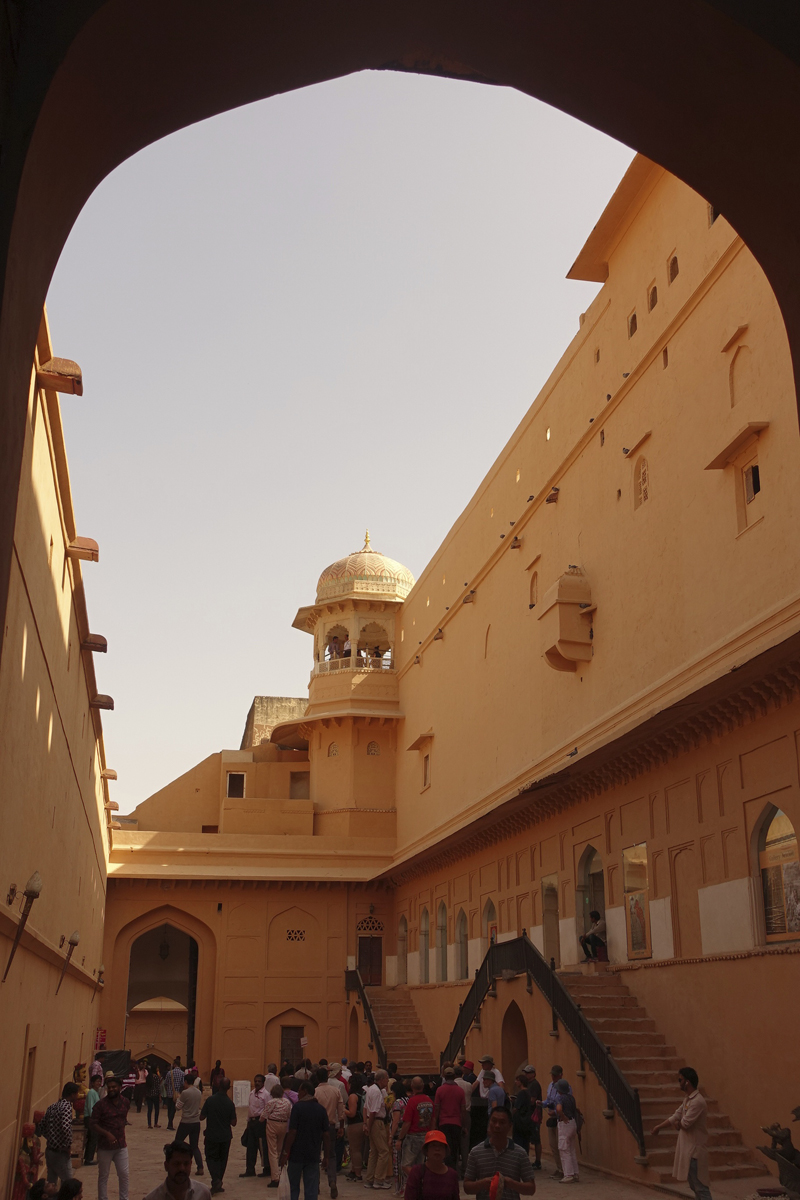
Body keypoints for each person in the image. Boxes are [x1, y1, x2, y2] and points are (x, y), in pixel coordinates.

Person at [652, 1068, 712, 1200]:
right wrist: (659, 1127)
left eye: (680, 1080)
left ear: (687, 1082)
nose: (679, 1083)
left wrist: (678, 1124)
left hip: (695, 1152)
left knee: (701, 1188)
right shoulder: (688, 1100)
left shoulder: (697, 1101)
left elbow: (685, 1123)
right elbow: (676, 1116)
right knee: (695, 1187)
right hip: (688, 1152)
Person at [463, 1105, 536, 1200]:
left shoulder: (520, 1153)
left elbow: (531, 1189)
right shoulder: (476, 1152)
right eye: (494, 1121)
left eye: (502, 1122)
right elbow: (467, 1187)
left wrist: (512, 1184)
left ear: (510, 1126)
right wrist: (482, 1183)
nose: (497, 1126)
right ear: (489, 1123)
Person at [279, 1080, 331, 1200]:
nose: (298, 1094)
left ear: (305, 1091)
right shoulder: (321, 1110)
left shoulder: (297, 1108)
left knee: (293, 1186)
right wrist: (327, 1156)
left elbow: (292, 1132)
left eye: (300, 1091)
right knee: (311, 1188)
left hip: (296, 1154)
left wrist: (285, 1153)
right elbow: (326, 1135)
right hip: (313, 1154)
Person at [91, 1073, 130, 1200]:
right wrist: (107, 1133)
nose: (112, 1089)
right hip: (105, 1147)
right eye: (110, 1087)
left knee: (124, 1174)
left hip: (121, 1145)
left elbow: (124, 1118)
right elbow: (93, 1124)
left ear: (120, 1087)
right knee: (103, 1176)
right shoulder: (100, 1105)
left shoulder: (125, 1102)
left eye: (114, 1087)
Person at [200, 1076, 237, 1195]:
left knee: (211, 1158)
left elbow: (202, 1117)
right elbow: (234, 1122)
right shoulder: (230, 1103)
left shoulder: (210, 1100)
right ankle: (219, 1180)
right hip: (226, 1136)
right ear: (228, 1088)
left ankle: (215, 1180)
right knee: (223, 1159)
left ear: (219, 1086)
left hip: (212, 1135)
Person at [313, 1068, 346, 1198]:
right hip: (330, 1126)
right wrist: (341, 1127)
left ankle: (315, 1184)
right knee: (331, 1155)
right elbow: (341, 1112)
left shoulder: (315, 1092)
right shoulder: (336, 1091)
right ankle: (332, 1181)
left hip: (316, 1127)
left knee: (316, 1155)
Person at [536, 1066, 572, 1180]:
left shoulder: (566, 1088)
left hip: (560, 1118)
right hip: (553, 1118)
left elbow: (565, 1103)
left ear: (561, 1074)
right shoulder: (551, 1086)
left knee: (561, 1145)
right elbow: (549, 1100)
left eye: (555, 1075)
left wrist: (556, 1112)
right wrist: (543, 1103)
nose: (553, 1077)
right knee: (553, 1145)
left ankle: (565, 1170)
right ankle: (559, 1167)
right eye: (552, 1075)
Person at [144, 1140, 212, 1200]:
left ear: (191, 1164)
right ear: (166, 1166)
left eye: (186, 1163)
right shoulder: (152, 1198)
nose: (182, 1168)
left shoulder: (203, 1193)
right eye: (176, 1164)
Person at [42, 1082, 79, 1186]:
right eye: (76, 1094)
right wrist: (67, 1146)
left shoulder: (52, 1106)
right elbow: (66, 1127)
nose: (77, 1096)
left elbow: (42, 1126)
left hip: (50, 1150)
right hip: (61, 1152)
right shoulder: (67, 1107)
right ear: (72, 1094)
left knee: (51, 1184)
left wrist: (51, 1138)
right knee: (68, 1184)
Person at [404, 1131, 460, 1200]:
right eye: (433, 1145)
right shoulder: (417, 1172)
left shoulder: (452, 1175)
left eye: (441, 1146)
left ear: (445, 1151)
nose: (437, 1149)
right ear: (427, 1150)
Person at [397, 1076, 434, 1179]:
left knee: (406, 1165)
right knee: (419, 1164)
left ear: (412, 1086)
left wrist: (400, 1138)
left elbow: (407, 1122)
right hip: (425, 1135)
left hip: (412, 1136)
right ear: (422, 1086)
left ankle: (418, 1180)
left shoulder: (412, 1101)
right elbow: (433, 1120)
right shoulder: (429, 1101)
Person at [363, 1068, 391, 1189]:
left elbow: (366, 1108)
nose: (388, 1080)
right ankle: (379, 1179)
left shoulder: (374, 1090)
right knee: (384, 1151)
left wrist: (366, 1123)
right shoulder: (376, 1091)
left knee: (374, 1151)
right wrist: (368, 1126)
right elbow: (373, 1111)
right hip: (376, 1122)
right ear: (381, 1079)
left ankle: (370, 1178)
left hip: (373, 1121)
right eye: (386, 1078)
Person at [433, 1068, 466, 1171]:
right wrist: (463, 1125)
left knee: (446, 1148)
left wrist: (435, 1123)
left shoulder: (440, 1090)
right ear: (454, 1076)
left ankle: (447, 1170)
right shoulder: (460, 1091)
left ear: (445, 1077)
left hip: (443, 1123)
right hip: (456, 1123)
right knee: (455, 1148)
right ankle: (453, 1170)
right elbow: (463, 1110)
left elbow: (437, 1108)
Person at [240, 1074, 269, 1178]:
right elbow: (250, 1108)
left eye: (259, 1081)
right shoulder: (252, 1093)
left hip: (260, 1122)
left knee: (262, 1146)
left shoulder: (266, 1094)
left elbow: (267, 1109)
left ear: (263, 1083)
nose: (257, 1083)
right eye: (255, 1081)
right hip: (251, 1122)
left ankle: (267, 1168)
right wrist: (248, 1122)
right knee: (251, 1146)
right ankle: (250, 1169)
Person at [175, 1077, 204, 1177]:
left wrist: (177, 1098)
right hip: (196, 1122)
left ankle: (176, 1163)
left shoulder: (185, 1093)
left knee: (177, 1143)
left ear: (186, 1082)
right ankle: (200, 1167)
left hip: (186, 1121)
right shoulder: (198, 1092)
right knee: (194, 1146)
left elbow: (177, 1107)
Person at [265, 1084, 292, 1187]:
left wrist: (260, 1120)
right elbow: (290, 1114)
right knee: (279, 1149)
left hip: (272, 1124)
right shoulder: (287, 1102)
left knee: (272, 1151)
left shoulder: (271, 1102)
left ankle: (275, 1177)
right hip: (284, 1124)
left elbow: (264, 1115)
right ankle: (280, 1172)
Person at [553, 1081, 579, 1184]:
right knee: (571, 1149)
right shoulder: (571, 1097)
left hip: (565, 1124)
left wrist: (563, 1117)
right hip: (573, 1122)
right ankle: (575, 1173)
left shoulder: (560, 1098)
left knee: (564, 1149)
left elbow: (559, 1109)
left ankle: (568, 1174)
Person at [344, 1073, 366, 1183]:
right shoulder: (363, 1093)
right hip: (363, 1122)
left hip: (355, 1124)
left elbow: (352, 1113)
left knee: (355, 1149)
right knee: (357, 1149)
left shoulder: (353, 1096)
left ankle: (357, 1173)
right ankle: (354, 1170)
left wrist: (343, 1109)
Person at [388, 1080, 408, 1193]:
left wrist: (391, 1136)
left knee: (397, 1164)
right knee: (406, 1162)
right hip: (408, 1134)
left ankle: (400, 1188)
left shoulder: (397, 1103)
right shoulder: (408, 1100)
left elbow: (395, 1121)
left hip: (397, 1135)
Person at [520, 1069, 542, 1170]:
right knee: (529, 1138)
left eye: (528, 1073)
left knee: (536, 1139)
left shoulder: (534, 1085)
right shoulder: (529, 1084)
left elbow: (532, 1100)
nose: (526, 1074)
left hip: (534, 1116)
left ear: (533, 1074)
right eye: (526, 1073)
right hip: (530, 1115)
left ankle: (538, 1161)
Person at [453, 1066, 472, 1178]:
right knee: (465, 1143)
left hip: (455, 1114)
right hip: (467, 1113)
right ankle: (466, 1168)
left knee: (455, 1142)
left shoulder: (454, 1085)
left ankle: (456, 1169)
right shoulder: (468, 1085)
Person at [83, 1074, 102, 1165]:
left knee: (93, 1138)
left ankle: (88, 1157)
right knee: (92, 1138)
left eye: (100, 1081)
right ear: (92, 1083)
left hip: (93, 1118)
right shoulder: (91, 1093)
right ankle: (88, 1159)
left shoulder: (96, 1092)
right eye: (97, 1081)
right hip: (90, 1118)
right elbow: (91, 1107)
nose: (99, 1083)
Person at [165, 1060, 186, 1131]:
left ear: (174, 1065)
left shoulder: (169, 1073)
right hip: (177, 1094)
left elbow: (166, 1083)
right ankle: (170, 1123)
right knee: (173, 1110)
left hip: (169, 1093)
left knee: (169, 1109)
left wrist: (168, 1090)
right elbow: (183, 1084)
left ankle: (169, 1123)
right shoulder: (182, 1073)